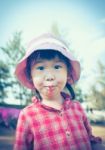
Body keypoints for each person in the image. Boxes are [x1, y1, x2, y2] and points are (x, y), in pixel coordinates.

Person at [14, 33, 103, 150]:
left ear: (68, 72)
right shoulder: (27, 115)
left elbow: (89, 139)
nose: (50, 76)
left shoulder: (77, 108)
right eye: (40, 68)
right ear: (30, 76)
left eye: (57, 67)